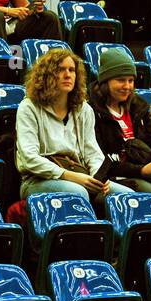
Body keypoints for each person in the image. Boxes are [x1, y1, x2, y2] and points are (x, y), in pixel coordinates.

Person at [16, 46, 132, 207]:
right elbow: (29, 159)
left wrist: (98, 178)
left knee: (127, 196)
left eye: (72, 70)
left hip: (80, 174)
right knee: (78, 192)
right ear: (47, 75)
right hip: (38, 180)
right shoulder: (28, 107)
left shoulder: (84, 109)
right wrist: (69, 176)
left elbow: (92, 152)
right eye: (61, 70)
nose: (68, 75)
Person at [90, 48, 151, 200]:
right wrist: (141, 171)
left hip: (147, 172)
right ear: (105, 81)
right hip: (118, 178)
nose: (127, 86)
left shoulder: (138, 107)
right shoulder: (93, 112)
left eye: (131, 80)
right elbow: (101, 161)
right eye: (121, 80)